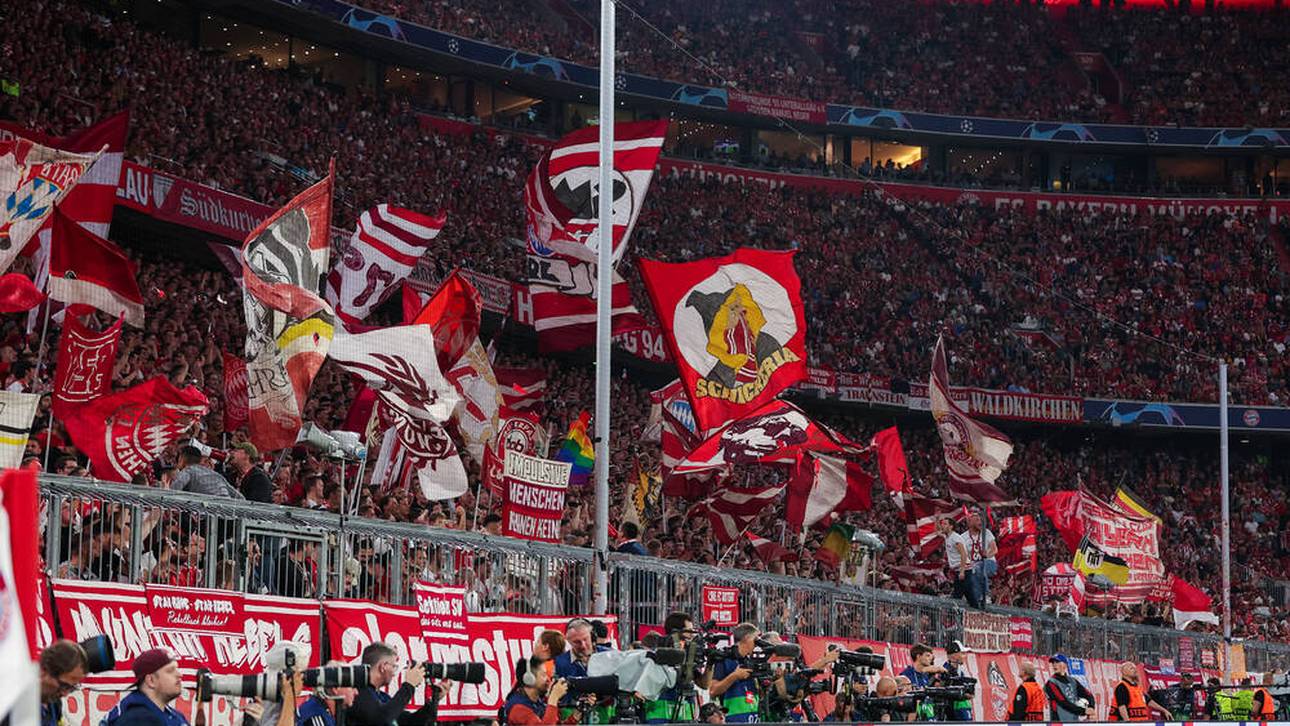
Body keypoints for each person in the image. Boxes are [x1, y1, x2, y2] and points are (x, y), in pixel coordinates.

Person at [348, 642, 443, 726]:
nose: (394, 673)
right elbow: (382, 719)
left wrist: (434, 699)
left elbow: (409, 721)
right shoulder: (357, 692)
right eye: (394, 666)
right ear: (383, 666)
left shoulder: (382, 697)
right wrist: (409, 685)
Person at [644, 612, 712, 723]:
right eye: (688, 631)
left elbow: (704, 684)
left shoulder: (689, 655)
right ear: (675, 633)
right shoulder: (656, 655)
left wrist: (711, 663)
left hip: (685, 716)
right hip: (660, 716)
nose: (691, 636)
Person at [101, 649, 188, 726]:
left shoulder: (175, 716)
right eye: (170, 671)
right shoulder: (136, 719)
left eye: (177, 669)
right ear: (151, 680)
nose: (180, 674)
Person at [553, 618, 613, 722]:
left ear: (592, 636)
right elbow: (556, 696)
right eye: (577, 642)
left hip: (604, 716)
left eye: (585, 639)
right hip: (573, 717)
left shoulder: (609, 656)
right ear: (569, 642)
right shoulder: (560, 663)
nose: (583, 645)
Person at [711, 623, 761, 723]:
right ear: (747, 638)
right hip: (732, 719)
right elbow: (713, 691)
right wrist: (735, 676)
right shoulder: (725, 658)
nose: (757, 643)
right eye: (756, 639)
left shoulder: (752, 660)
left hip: (753, 718)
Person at [504, 655, 572, 725]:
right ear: (529, 679)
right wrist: (553, 699)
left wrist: (573, 719)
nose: (548, 680)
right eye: (543, 675)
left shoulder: (538, 702)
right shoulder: (518, 709)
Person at [40, 640, 87, 726]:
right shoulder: (17, 703)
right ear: (44, 671)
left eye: (72, 688)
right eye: (63, 685)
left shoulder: (54, 705)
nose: (65, 694)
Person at [297, 661, 359, 726]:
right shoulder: (316, 716)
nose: (356, 692)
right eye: (352, 687)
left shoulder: (331, 712)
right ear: (335, 688)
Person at [170, 446, 242, 498]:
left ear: (182, 459)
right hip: (228, 513)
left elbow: (175, 490)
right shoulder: (216, 474)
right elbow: (239, 497)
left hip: (209, 513)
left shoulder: (188, 470)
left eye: (178, 459)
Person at [1044, 654, 1094, 721]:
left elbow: (1089, 695)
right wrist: (1083, 711)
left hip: (1074, 720)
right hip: (1059, 721)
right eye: (1053, 663)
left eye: (1057, 662)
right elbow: (1063, 702)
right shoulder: (1051, 683)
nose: (1054, 665)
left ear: (1065, 664)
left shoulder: (1073, 681)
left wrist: (1091, 707)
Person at [962, 512, 997, 608]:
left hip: (989, 562)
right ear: (969, 522)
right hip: (973, 565)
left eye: (980, 519)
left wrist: (987, 554)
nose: (980, 521)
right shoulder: (963, 538)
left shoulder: (987, 533)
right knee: (972, 574)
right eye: (977, 519)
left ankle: (986, 595)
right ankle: (977, 600)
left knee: (979, 567)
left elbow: (994, 549)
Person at [940, 640, 974, 721]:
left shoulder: (959, 671)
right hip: (951, 714)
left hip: (957, 712)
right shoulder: (945, 671)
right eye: (962, 653)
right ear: (954, 655)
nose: (965, 656)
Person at [938, 517, 969, 602]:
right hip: (958, 571)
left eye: (945, 524)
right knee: (958, 595)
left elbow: (963, 554)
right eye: (942, 524)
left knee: (958, 596)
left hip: (964, 570)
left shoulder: (955, 538)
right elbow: (936, 531)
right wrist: (937, 518)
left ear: (951, 526)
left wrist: (962, 571)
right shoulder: (947, 537)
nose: (942, 526)